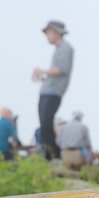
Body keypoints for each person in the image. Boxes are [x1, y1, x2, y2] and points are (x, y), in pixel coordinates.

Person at [32, 20, 74, 160]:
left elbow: (62, 70)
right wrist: (44, 76)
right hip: (47, 90)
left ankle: (54, 156)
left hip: (53, 92)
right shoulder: (58, 49)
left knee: (46, 124)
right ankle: (49, 155)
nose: (47, 36)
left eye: (48, 33)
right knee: (44, 126)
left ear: (56, 33)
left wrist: (42, 71)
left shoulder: (66, 48)